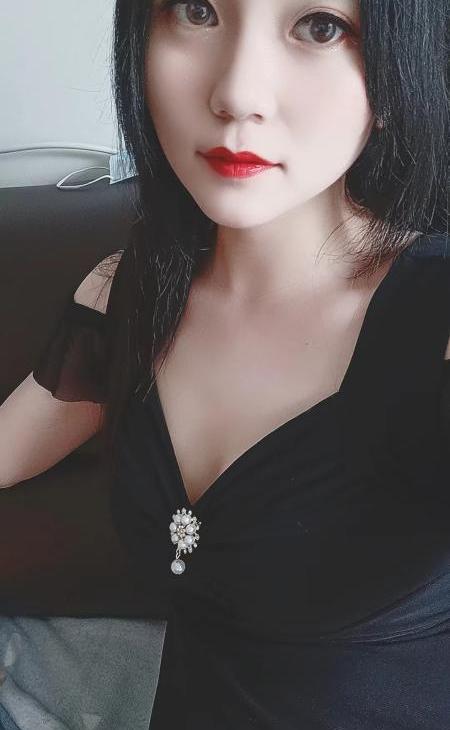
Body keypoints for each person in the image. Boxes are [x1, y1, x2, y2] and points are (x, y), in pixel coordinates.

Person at [0, 0, 448, 728]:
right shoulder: (129, 294)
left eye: (320, 27)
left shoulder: (436, 321)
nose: (237, 93)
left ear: (398, 67)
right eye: (197, 10)